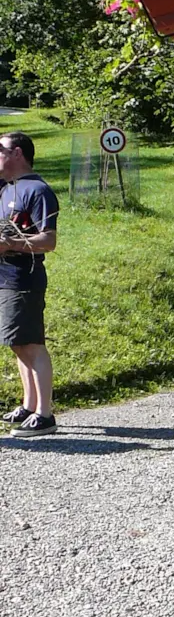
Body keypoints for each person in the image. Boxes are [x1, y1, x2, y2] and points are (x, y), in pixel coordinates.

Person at [0, 131, 59, 436]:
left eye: (0, 150)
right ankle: (29, 405)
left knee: (32, 345)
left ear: (17, 153)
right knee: (17, 343)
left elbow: (48, 240)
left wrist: (9, 244)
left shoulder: (38, 190)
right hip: (6, 277)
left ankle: (45, 415)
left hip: (24, 278)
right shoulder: (7, 188)